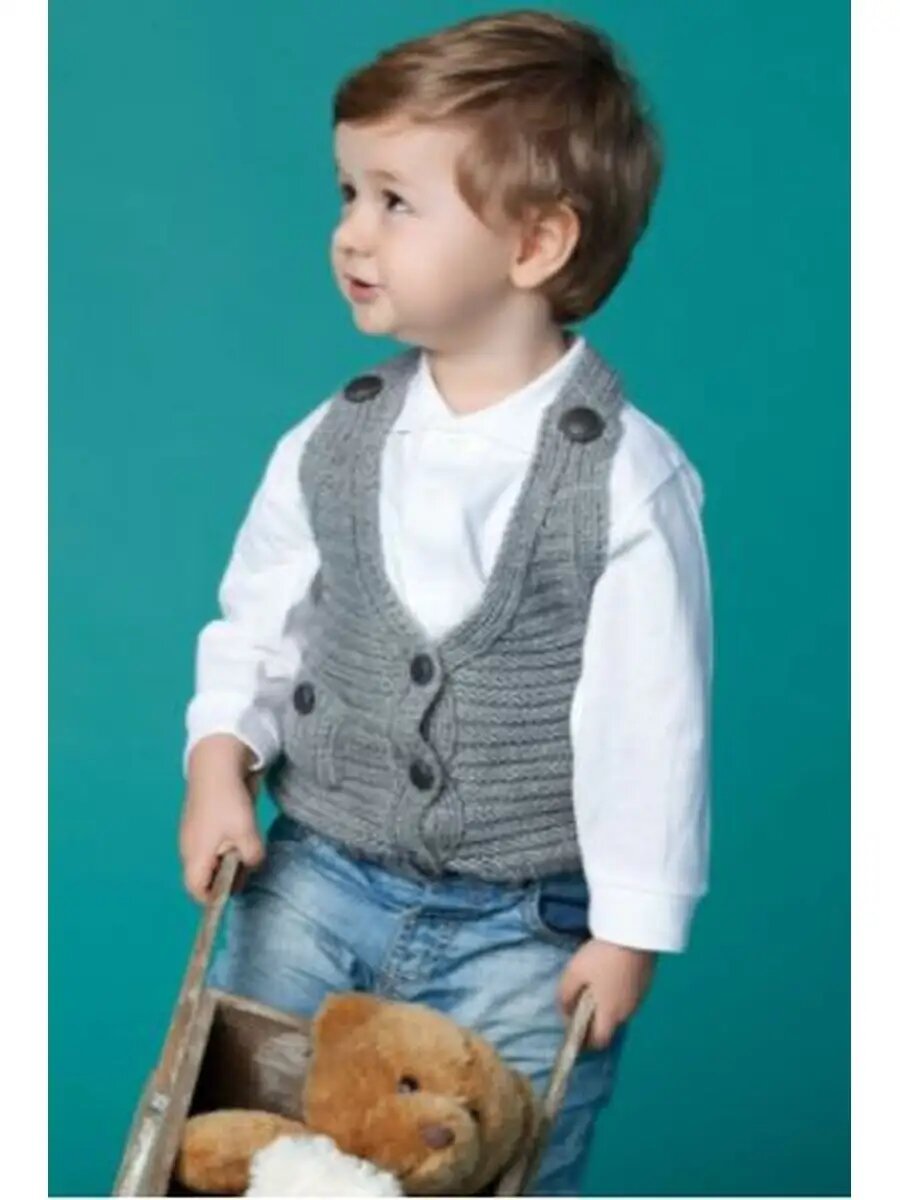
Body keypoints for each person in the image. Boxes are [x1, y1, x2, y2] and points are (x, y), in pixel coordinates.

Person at [178, 9, 712, 1194]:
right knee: (249, 1142)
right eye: (347, 192)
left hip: (525, 925)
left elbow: (651, 723)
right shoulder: (334, 440)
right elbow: (260, 624)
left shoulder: (626, 481)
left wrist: (630, 929)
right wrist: (220, 763)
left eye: (395, 202)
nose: (349, 231)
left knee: (492, 1158)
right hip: (315, 880)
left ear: (536, 242)